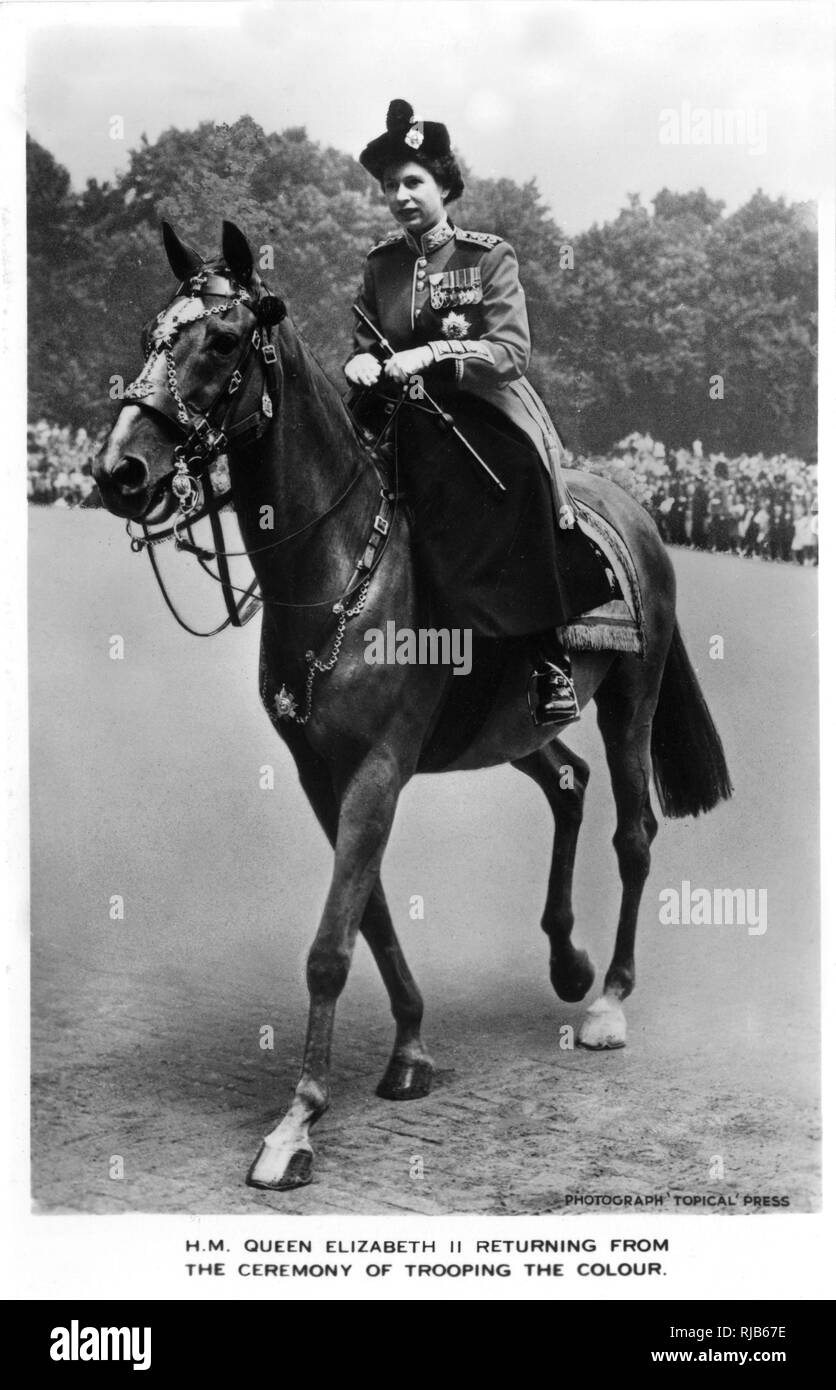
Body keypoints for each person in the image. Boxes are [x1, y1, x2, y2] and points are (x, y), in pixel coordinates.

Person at [344, 99, 615, 725]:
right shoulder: (380, 264)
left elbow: (510, 351)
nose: (400, 196)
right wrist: (357, 365)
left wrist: (435, 354)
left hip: (477, 408)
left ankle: (548, 663)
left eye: (413, 182)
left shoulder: (487, 256)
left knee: (516, 480)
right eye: (390, 186)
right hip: (394, 414)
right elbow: (365, 344)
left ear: (444, 184)